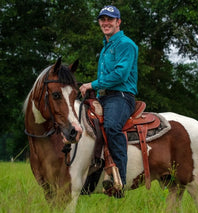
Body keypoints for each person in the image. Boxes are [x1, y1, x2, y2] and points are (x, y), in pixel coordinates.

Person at [79, 5, 138, 196]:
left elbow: (120, 75)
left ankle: (118, 180)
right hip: (104, 97)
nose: (106, 23)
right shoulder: (106, 46)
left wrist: (92, 84)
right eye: (102, 20)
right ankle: (90, 174)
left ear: (118, 22)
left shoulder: (125, 44)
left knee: (112, 127)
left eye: (110, 20)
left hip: (121, 96)